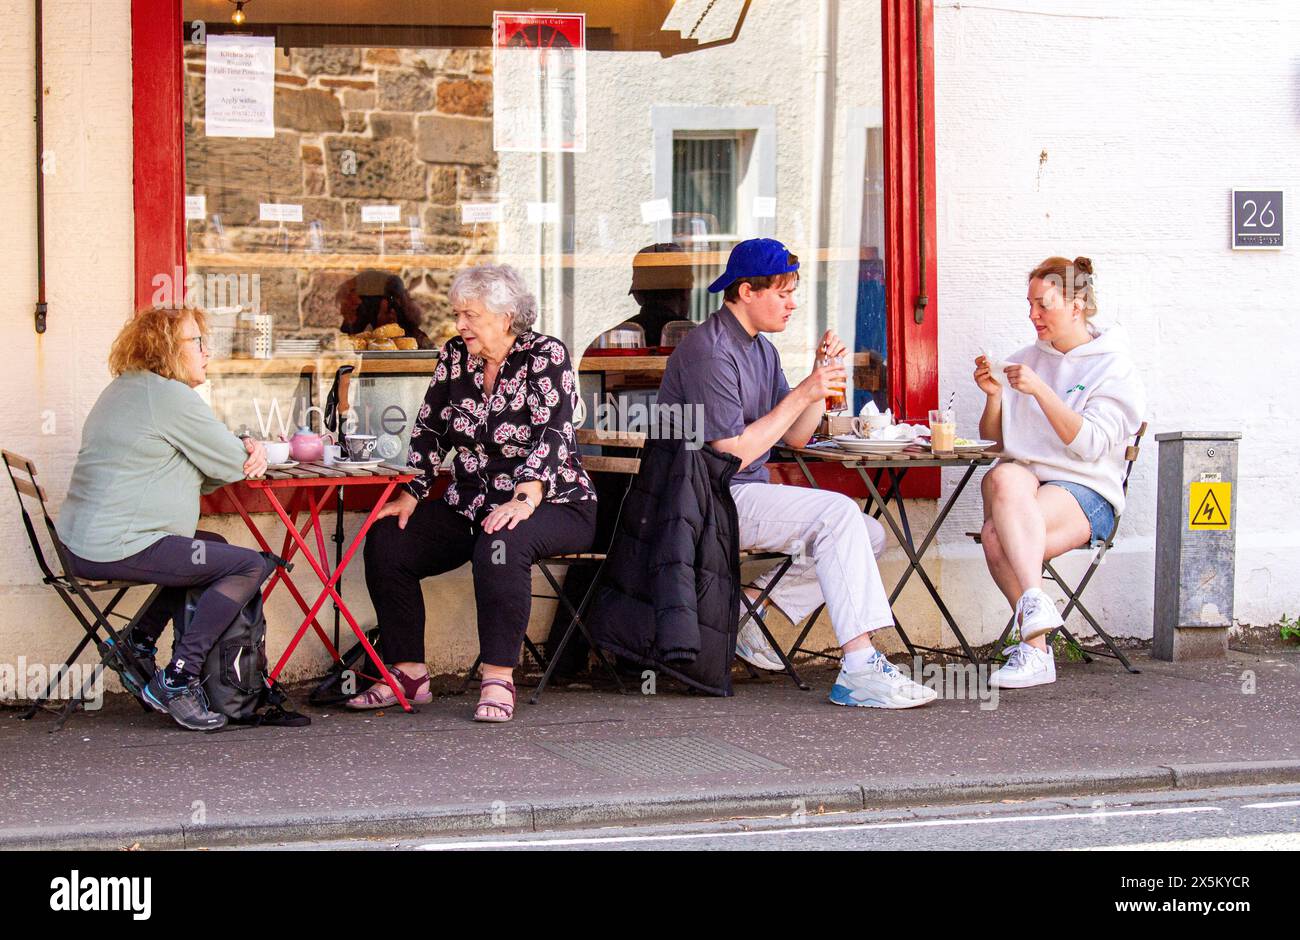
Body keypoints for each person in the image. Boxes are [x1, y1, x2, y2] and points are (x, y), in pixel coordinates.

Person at [656, 238, 936, 708]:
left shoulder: (761, 350)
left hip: (738, 494)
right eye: (783, 293)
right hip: (705, 499)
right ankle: (861, 665)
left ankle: (749, 612)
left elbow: (798, 439)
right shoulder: (710, 350)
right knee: (839, 515)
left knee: (866, 533)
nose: (792, 303)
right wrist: (802, 392)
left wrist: (818, 380)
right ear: (746, 291)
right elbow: (735, 455)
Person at [350, 264, 596, 722]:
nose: (459, 325)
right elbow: (429, 429)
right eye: (457, 314)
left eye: (470, 315)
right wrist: (414, 491)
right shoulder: (454, 358)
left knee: (501, 543)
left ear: (505, 317)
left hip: (556, 501)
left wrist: (525, 496)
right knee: (389, 538)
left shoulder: (545, 356)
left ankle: (498, 678)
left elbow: (555, 433)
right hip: (473, 502)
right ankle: (408, 673)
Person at [57, 308, 272, 731]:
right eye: (197, 343)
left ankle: (135, 643)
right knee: (250, 564)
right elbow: (232, 462)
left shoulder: (125, 389)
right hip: (115, 546)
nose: (207, 352)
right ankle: (178, 678)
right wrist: (248, 445)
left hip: (83, 543)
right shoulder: (169, 396)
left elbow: (211, 468)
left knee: (213, 549)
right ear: (169, 350)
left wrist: (231, 454)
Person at [974, 256, 1146, 689]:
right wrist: (995, 397)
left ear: (1077, 304)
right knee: (1000, 476)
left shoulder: (1113, 367)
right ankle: (1036, 610)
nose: (1033, 315)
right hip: (1029, 488)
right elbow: (996, 444)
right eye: (1029, 304)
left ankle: (1035, 648)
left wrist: (1042, 391)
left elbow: (1089, 444)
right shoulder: (1025, 358)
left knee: (998, 537)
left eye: (1043, 304)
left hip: (1087, 490)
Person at [338, 270, 434, 348]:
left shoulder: (396, 308)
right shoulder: (369, 308)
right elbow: (350, 333)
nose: (357, 301)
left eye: (352, 292)